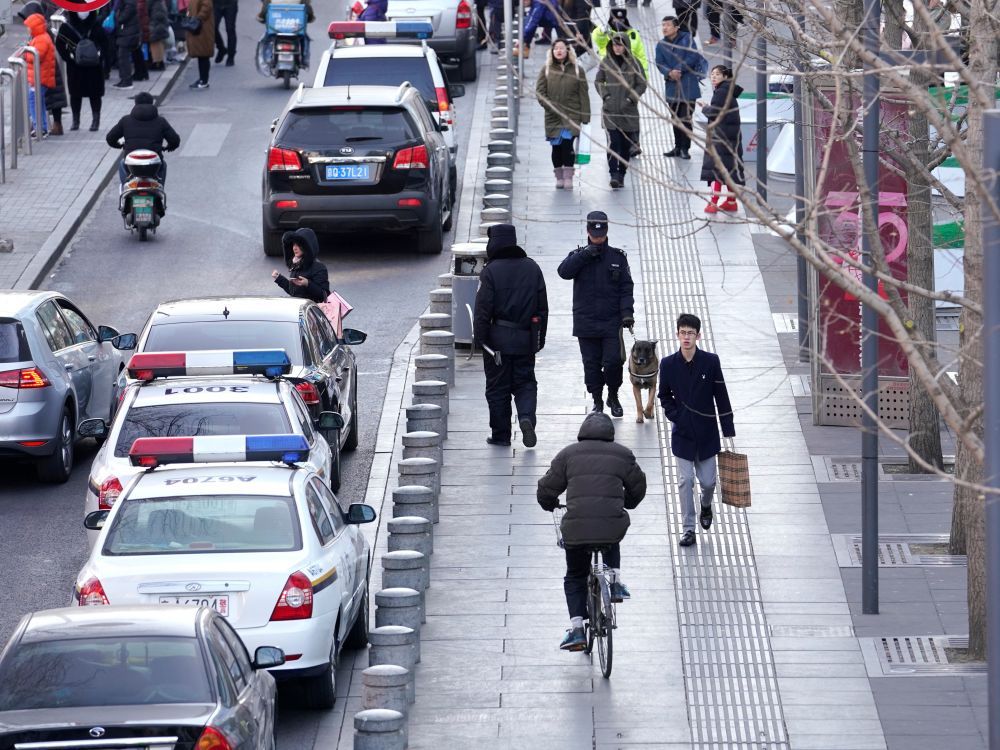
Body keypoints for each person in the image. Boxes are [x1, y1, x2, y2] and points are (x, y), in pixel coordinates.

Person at [537, 411, 646, 651]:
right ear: (610, 433)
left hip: (576, 528)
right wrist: (626, 502)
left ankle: (577, 630)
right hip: (610, 525)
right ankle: (615, 581)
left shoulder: (568, 455)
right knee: (611, 526)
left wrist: (549, 504)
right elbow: (638, 487)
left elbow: (547, 488)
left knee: (575, 575)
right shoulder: (623, 454)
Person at [657, 313, 735, 547]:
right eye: (683, 332)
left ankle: (706, 506)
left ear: (698, 335)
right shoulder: (668, 364)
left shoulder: (711, 362)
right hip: (682, 433)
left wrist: (727, 427)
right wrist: (676, 416)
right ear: (677, 334)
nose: (687, 337)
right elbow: (664, 395)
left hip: (707, 432)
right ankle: (688, 528)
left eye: (691, 333)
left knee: (709, 482)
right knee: (685, 481)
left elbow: (721, 394)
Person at [473, 224, 548, 448]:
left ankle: (501, 435)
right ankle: (526, 417)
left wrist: (481, 340)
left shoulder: (490, 271)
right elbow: (542, 309)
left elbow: (482, 310)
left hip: (497, 343)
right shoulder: (532, 268)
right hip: (525, 339)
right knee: (526, 383)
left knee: (498, 388)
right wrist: (538, 340)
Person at [557, 211, 635, 418]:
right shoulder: (579, 255)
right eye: (594, 234)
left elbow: (626, 287)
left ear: (607, 231)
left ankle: (613, 395)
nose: (598, 237)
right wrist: (585, 255)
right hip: (586, 322)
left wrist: (627, 313)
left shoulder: (617, 257)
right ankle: (597, 400)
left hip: (611, 322)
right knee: (591, 365)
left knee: (613, 363)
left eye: (601, 234)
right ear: (588, 231)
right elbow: (563, 272)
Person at [535, 38, 590, 190]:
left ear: (568, 51)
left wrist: (585, 117)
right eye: (556, 48)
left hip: (572, 115)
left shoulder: (578, 70)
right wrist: (550, 106)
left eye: (562, 48)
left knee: (567, 145)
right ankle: (559, 177)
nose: (559, 51)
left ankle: (568, 178)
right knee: (556, 148)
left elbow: (583, 95)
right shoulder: (546, 69)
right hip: (553, 116)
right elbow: (540, 92)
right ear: (552, 52)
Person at [595, 34, 646, 189]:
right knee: (613, 143)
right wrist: (606, 96)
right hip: (610, 111)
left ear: (626, 46)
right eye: (615, 44)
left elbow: (642, 84)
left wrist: (631, 99)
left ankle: (621, 174)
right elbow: (598, 81)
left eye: (620, 45)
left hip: (628, 111)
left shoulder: (634, 63)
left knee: (625, 145)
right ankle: (613, 174)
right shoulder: (606, 62)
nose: (617, 48)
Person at [654, 15, 706, 160]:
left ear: (676, 27)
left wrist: (678, 69)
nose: (664, 28)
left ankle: (685, 148)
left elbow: (693, 57)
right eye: (663, 25)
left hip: (688, 85)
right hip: (672, 86)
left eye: (668, 25)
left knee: (686, 119)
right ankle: (677, 147)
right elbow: (659, 62)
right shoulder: (661, 45)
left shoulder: (687, 39)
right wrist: (669, 73)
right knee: (675, 118)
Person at [105, 91, 181, 184]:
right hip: (154, 164)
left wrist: (119, 145)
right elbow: (174, 140)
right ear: (152, 102)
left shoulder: (126, 120)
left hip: (132, 163)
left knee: (122, 163)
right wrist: (169, 147)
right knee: (163, 165)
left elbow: (110, 138)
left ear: (135, 103)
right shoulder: (161, 121)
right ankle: (159, 186)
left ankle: (126, 186)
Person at [698, 64, 744, 213]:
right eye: (712, 74)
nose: (714, 77)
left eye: (718, 74)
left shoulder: (721, 92)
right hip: (730, 137)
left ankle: (713, 203)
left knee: (717, 170)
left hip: (721, 137)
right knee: (729, 170)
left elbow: (716, 113)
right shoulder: (727, 90)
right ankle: (731, 201)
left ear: (725, 77)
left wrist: (704, 107)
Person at [56, 10, 110, 132]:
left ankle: (94, 121)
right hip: (81, 66)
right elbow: (59, 44)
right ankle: (77, 121)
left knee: (93, 94)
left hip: (88, 66)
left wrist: (101, 58)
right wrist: (68, 59)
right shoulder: (68, 26)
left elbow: (105, 42)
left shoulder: (94, 24)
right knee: (77, 94)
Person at [271, 228, 330, 303]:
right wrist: (279, 278)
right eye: (293, 244)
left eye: (298, 245)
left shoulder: (319, 268)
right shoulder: (296, 264)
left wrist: (308, 284)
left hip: (311, 311)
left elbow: (324, 296)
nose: (294, 248)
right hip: (298, 309)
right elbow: (294, 293)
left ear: (307, 246)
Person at [21, 12, 56, 136]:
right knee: (38, 101)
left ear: (35, 27)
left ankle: (39, 128)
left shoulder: (41, 39)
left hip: (40, 77)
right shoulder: (41, 37)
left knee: (34, 101)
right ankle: (42, 127)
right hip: (41, 76)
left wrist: (25, 53)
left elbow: (36, 56)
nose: (27, 29)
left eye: (29, 27)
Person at [186, 0, 214, 89]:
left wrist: (198, 18)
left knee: (203, 55)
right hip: (199, 27)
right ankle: (202, 79)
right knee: (201, 55)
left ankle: (204, 80)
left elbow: (207, 6)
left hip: (202, 28)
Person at [113, 0, 142, 90]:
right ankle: (124, 80)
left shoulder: (130, 2)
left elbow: (126, 13)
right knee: (122, 57)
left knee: (123, 57)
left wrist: (117, 18)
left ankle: (127, 81)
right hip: (126, 31)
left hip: (128, 32)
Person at [147, 0, 171, 70]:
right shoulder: (160, 2)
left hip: (156, 23)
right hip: (159, 21)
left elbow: (148, 6)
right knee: (158, 43)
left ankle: (157, 64)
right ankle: (159, 63)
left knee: (155, 43)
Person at [213, 0, 238, 64]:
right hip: (216, 4)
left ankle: (231, 56)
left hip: (231, 4)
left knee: (230, 29)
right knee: (212, 28)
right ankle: (221, 49)